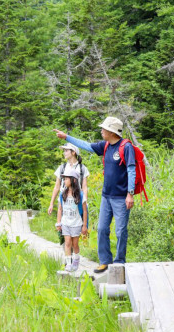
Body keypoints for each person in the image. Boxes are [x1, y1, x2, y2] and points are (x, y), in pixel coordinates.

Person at [53, 116, 135, 273]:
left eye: (104, 129)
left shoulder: (126, 148)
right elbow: (86, 145)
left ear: (112, 131)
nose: (101, 131)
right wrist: (66, 137)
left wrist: (130, 194)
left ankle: (119, 262)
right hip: (106, 197)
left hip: (121, 198)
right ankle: (105, 261)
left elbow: (131, 170)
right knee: (102, 228)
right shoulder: (105, 146)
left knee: (120, 231)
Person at [56, 168, 88, 272]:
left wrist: (84, 226)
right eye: (64, 179)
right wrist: (58, 222)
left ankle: (76, 260)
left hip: (76, 223)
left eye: (66, 179)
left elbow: (85, 211)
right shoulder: (63, 194)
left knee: (75, 244)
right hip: (65, 223)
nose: (64, 181)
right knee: (67, 243)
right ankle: (68, 264)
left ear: (73, 180)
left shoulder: (80, 195)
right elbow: (60, 209)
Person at [48, 143, 89, 215]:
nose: (64, 153)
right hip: (64, 200)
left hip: (78, 200)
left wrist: (85, 202)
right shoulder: (62, 168)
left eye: (66, 151)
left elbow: (84, 187)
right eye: (64, 151)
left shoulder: (82, 168)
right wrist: (51, 203)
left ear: (73, 152)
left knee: (79, 223)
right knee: (62, 223)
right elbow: (57, 187)